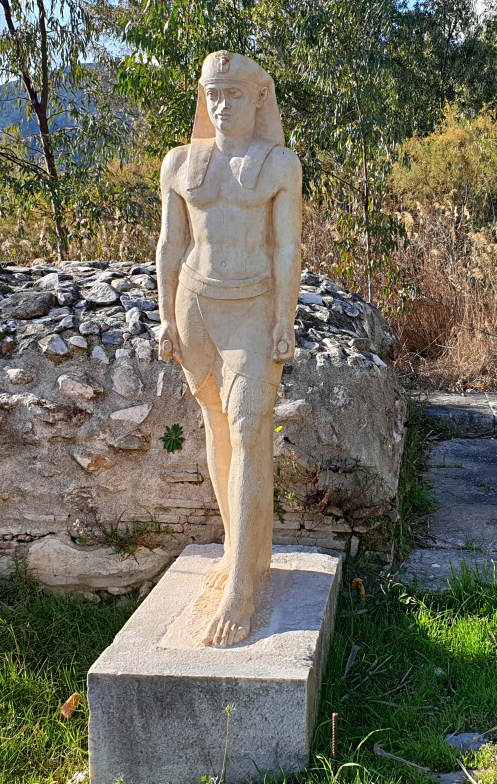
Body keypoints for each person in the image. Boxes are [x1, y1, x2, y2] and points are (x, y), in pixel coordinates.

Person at [155, 51, 302, 647]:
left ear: (258, 98)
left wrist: (285, 318)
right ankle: (239, 553)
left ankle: (243, 587)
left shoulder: (280, 164)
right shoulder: (179, 163)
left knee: (248, 427)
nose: (221, 106)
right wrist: (165, 316)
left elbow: (286, 248)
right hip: (195, 305)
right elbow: (170, 243)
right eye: (213, 94)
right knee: (217, 426)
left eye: (233, 94)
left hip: (254, 307)